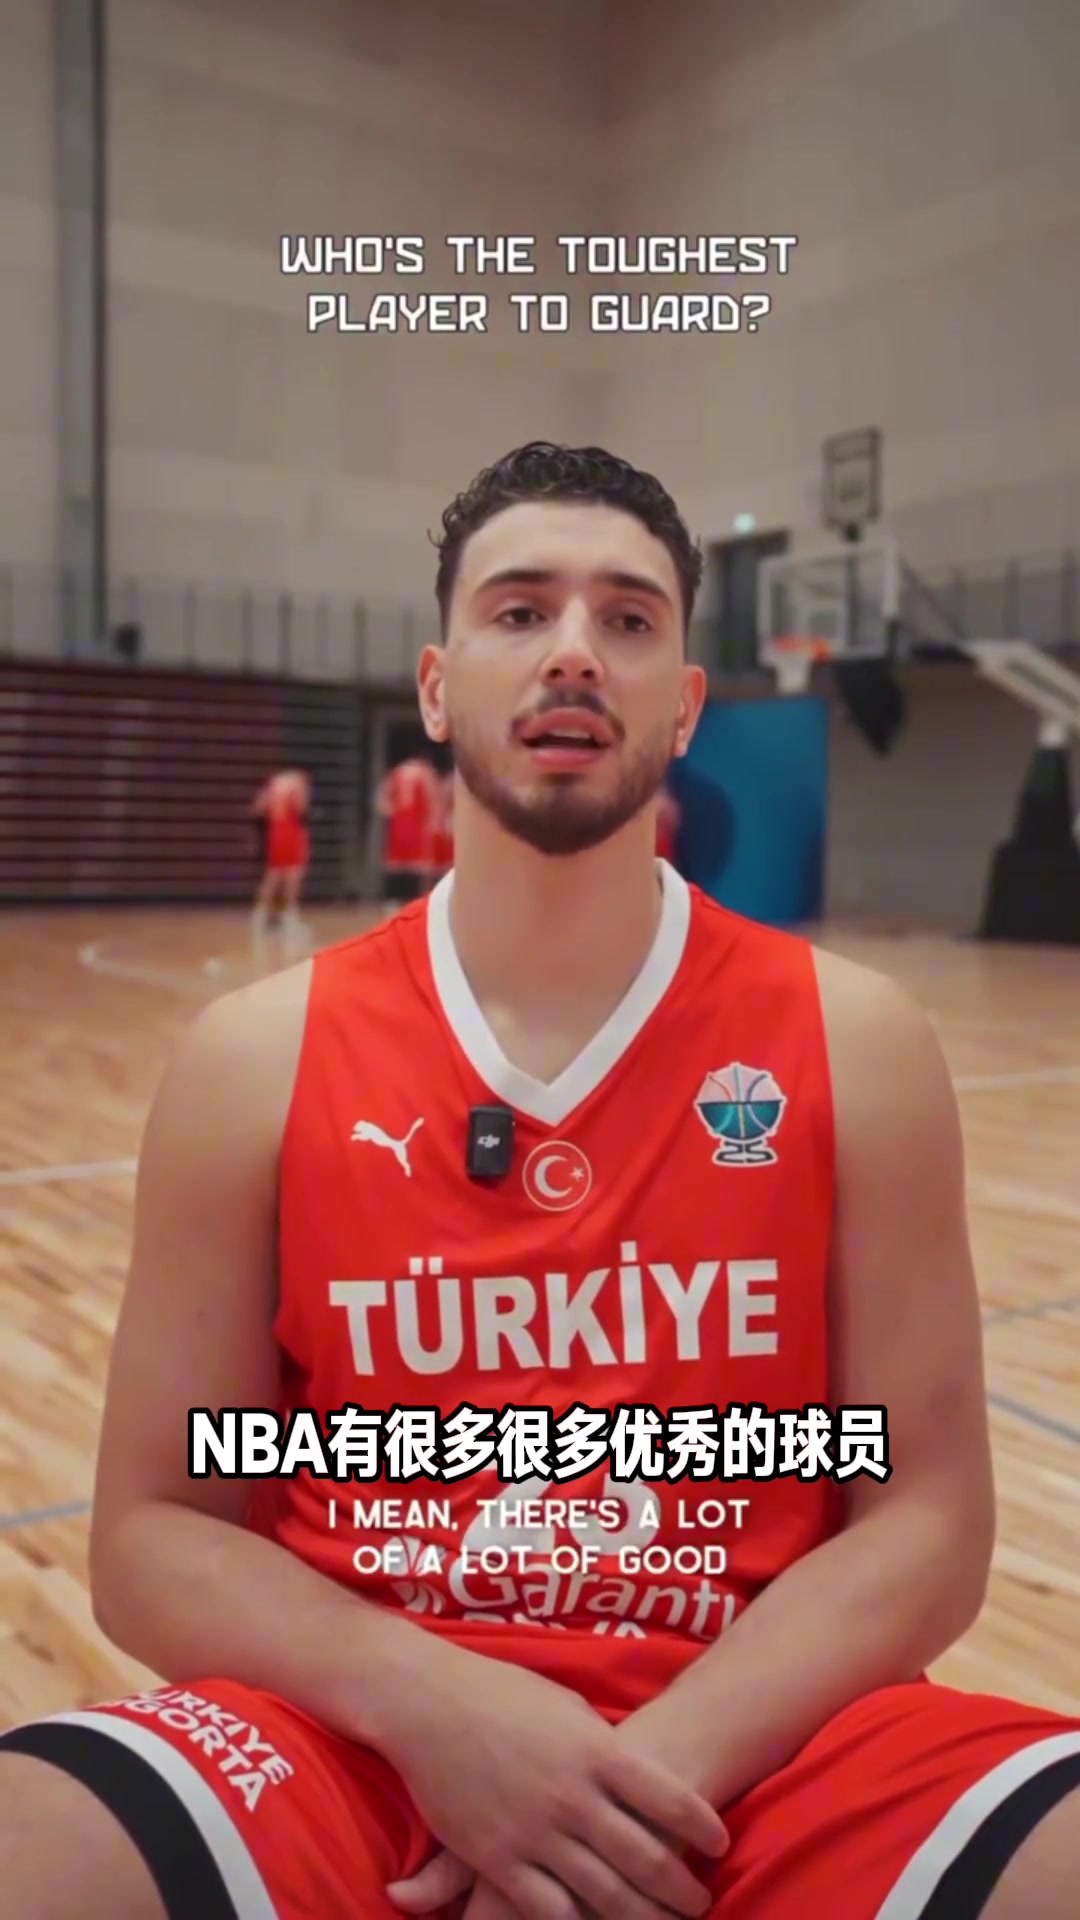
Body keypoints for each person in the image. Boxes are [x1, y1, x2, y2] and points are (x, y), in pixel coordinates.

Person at [1, 441, 1078, 1920]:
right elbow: (148, 1535)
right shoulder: (253, 1058)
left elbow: (929, 1520)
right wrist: (437, 1712)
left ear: (684, 704)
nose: (574, 649)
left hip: (772, 1743)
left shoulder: (858, 1042)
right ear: (439, 686)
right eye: (520, 611)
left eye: (627, 618)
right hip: (350, 1745)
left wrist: (620, 1790)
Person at [250, 767, 312, 956]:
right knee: (293, 877)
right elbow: (302, 808)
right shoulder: (299, 783)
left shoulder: (274, 783)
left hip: (275, 831)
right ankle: (290, 921)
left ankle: (259, 919)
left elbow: (258, 808)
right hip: (291, 831)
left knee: (273, 876)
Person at [376, 750, 441, 904]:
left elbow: (381, 799)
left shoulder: (397, 771)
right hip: (419, 825)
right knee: (423, 867)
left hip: (398, 824)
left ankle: (392, 899)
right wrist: (435, 820)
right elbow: (434, 798)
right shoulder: (426, 772)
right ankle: (423, 902)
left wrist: (390, 810)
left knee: (396, 865)